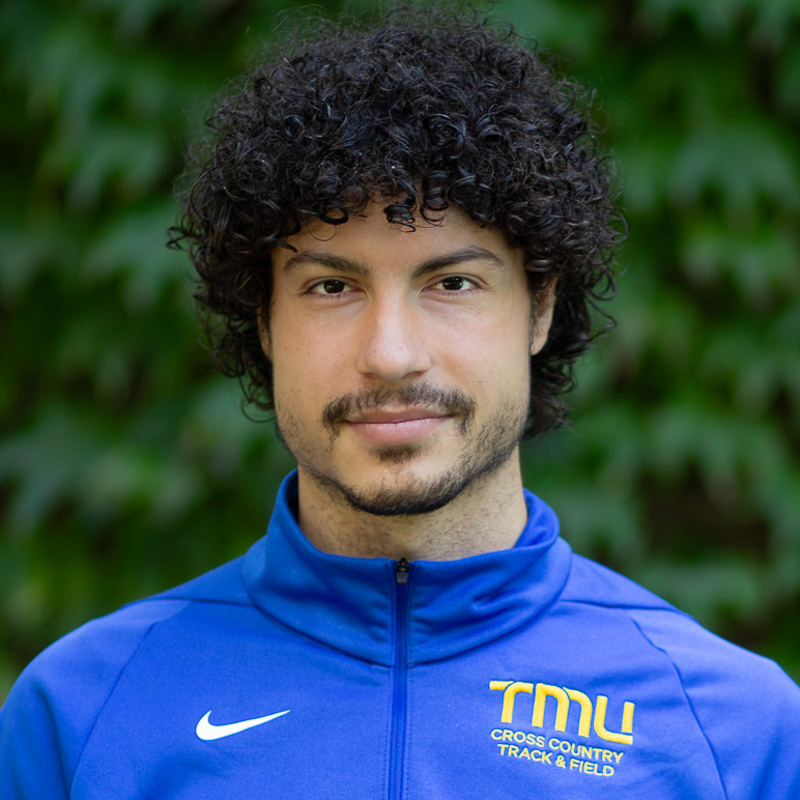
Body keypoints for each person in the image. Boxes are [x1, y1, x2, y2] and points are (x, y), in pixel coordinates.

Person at [1, 6, 799, 798]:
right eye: (331, 286)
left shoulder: (739, 734)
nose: (390, 353)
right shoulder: (80, 713)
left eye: (452, 283)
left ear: (541, 307)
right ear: (264, 321)